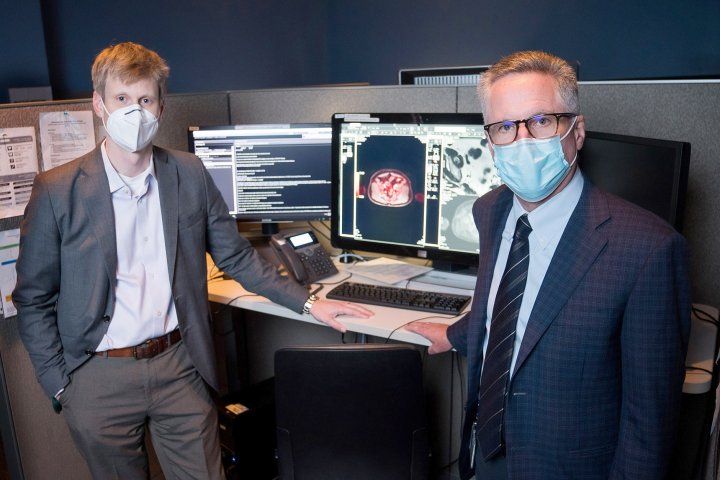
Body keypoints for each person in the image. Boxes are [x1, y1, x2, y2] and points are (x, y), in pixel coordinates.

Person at [12, 41, 372, 479]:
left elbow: (236, 257)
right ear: (98, 105)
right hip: (96, 375)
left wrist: (311, 304)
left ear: (161, 108)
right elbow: (33, 298)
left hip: (179, 365)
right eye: (121, 99)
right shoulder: (57, 190)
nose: (134, 111)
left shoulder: (190, 173)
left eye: (144, 99)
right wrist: (61, 384)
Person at [407, 51, 690, 479]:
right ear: (489, 141)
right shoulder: (490, 211)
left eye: (541, 121)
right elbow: (506, 303)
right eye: (504, 127)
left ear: (576, 131)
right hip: (485, 450)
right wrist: (455, 333)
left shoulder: (648, 250)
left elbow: (648, 425)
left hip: (564, 466)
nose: (522, 141)